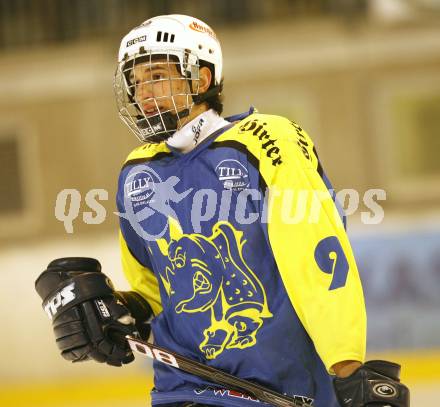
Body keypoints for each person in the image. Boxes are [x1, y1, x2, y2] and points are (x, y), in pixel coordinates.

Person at [35, 14, 409, 407]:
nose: (143, 92)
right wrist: (119, 312)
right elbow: (159, 291)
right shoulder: (136, 173)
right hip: (183, 388)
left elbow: (316, 257)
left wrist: (347, 367)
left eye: (157, 76)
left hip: (282, 388)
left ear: (202, 79)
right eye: (136, 80)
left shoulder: (264, 140)